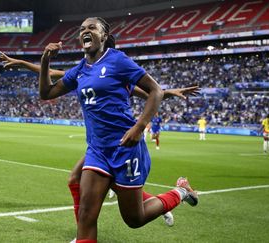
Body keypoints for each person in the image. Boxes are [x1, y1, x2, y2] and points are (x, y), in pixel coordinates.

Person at [39, 17, 198, 242]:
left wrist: (139, 127)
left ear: (104, 36)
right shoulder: (79, 71)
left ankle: (181, 192)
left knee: (134, 219)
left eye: (92, 27)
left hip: (125, 147)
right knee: (85, 216)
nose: (86, 30)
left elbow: (155, 91)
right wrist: (45, 60)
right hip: (97, 151)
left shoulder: (117, 60)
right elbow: (46, 93)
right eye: (82, 29)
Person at [0, 52, 199, 228]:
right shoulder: (85, 71)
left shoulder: (116, 74)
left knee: (89, 185)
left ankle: (168, 198)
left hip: (118, 143)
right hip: (98, 146)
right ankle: (86, 232)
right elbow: (53, 74)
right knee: (80, 180)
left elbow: (149, 93)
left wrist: (169, 93)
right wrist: (23, 63)